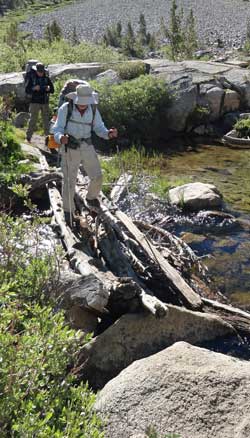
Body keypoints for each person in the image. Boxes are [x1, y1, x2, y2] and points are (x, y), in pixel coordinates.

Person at [53, 82, 118, 224]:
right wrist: (60, 138)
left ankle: (90, 197)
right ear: (76, 98)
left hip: (87, 146)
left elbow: (99, 128)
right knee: (69, 180)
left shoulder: (93, 110)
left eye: (86, 102)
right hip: (69, 147)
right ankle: (68, 212)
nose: (83, 104)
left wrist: (108, 134)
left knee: (98, 176)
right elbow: (56, 129)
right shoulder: (66, 108)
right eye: (81, 102)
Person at [25, 62, 54, 142]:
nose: (41, 73)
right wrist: (34, 88)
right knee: (33, 119)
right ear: (36, 71)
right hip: (34, 102)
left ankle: (48, 139)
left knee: (46, 121)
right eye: (39, 71)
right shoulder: (31, 78)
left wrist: (49, 88)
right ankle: (28, 137)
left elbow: (52, 90)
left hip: (45, 102)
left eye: (42, 72)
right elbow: (27, 90)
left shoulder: (47, 78)